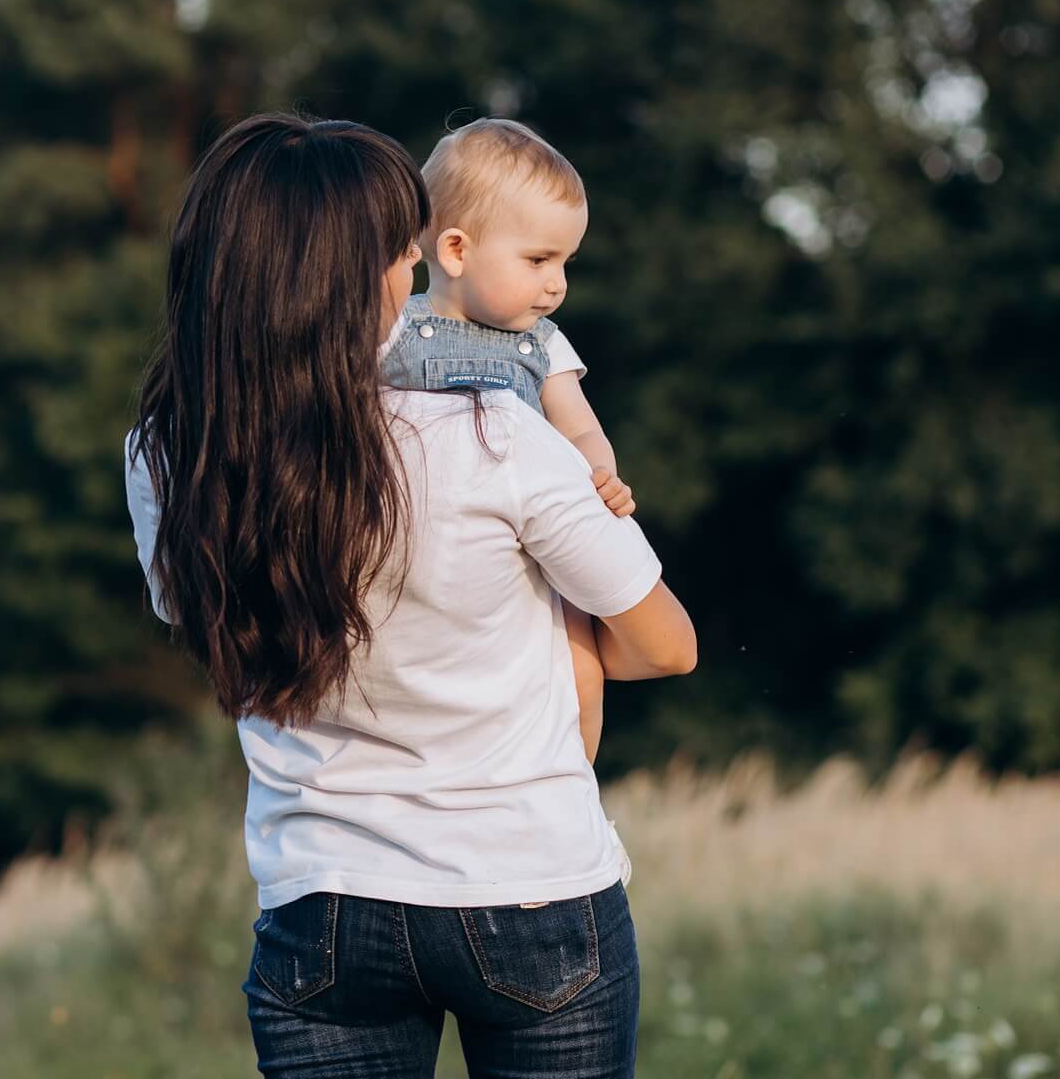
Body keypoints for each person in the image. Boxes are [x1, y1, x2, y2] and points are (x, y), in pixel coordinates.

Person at [124, 111, 696, 1079]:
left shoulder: (170, 455)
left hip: (321, 902)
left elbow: (211, 625)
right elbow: (663, 644)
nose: (410, 267)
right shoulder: (493, 435)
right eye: (397, 247)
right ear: (349, 274)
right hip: (526, 884)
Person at [379, 116, 632, 865]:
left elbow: (581, 428)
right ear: (454, 249)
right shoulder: (394, 331)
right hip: (434, 553)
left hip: (538, 546)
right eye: (539, 258)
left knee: (581, 670)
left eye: (566, 261)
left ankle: (569, 796)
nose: (556, 282)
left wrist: (601, 474)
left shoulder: (543, 344)